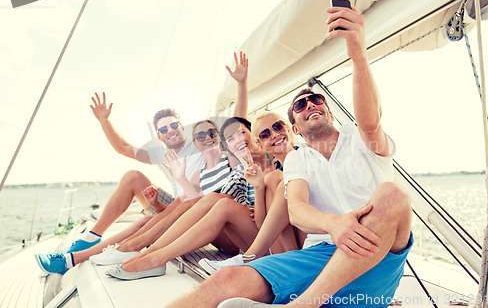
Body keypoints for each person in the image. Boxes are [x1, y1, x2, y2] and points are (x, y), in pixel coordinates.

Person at [166, 5, 412, 308]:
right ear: (296, 126)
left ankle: (302, 304)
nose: (310, 104)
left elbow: (370, 120)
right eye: (300, 105)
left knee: (392, 194)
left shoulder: (361, 139)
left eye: (316, 99)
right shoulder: (299, 159)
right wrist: (335, 224)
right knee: (223, 283)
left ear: (330, 111)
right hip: (318, 255)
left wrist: (358, 53)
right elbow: (296, 211)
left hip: (374, 254)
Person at [34, 52, 250, 274]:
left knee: (156, 216)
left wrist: (241, 85)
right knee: (134, 178)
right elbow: (122, 148)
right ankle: (92, 238)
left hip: (197, 206)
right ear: (159, 136)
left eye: (174, 126)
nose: (171, 131)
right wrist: (104, 121)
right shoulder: (161, 153)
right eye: (164, 129)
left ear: (182, 126)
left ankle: (96, 255)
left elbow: (236, 125)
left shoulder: (202, 143)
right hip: (183, 203)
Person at [104, 117, 277, 280]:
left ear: (253, 134)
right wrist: (178, 181)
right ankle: (146, 253)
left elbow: (263, 216)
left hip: (265, 240)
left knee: (215, 201)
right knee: (200, 200)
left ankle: (149, 255)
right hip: (243, 231)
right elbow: (193, 206)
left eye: (241, 133)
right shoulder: (241, 171)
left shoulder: (265, 167)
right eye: (230, 138)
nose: (237, 139)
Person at [198, 112, 306, 274]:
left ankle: (250, 257)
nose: (275, 135)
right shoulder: (269, 175)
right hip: (286, 245)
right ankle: (294, 259)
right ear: (261, 145)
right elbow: (263, 224)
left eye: (278, 127)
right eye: (265, 134)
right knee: (271, 179)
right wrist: (258, 187)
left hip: (310, 234)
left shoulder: (306, 156)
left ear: (289, 129)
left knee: (277, 178)